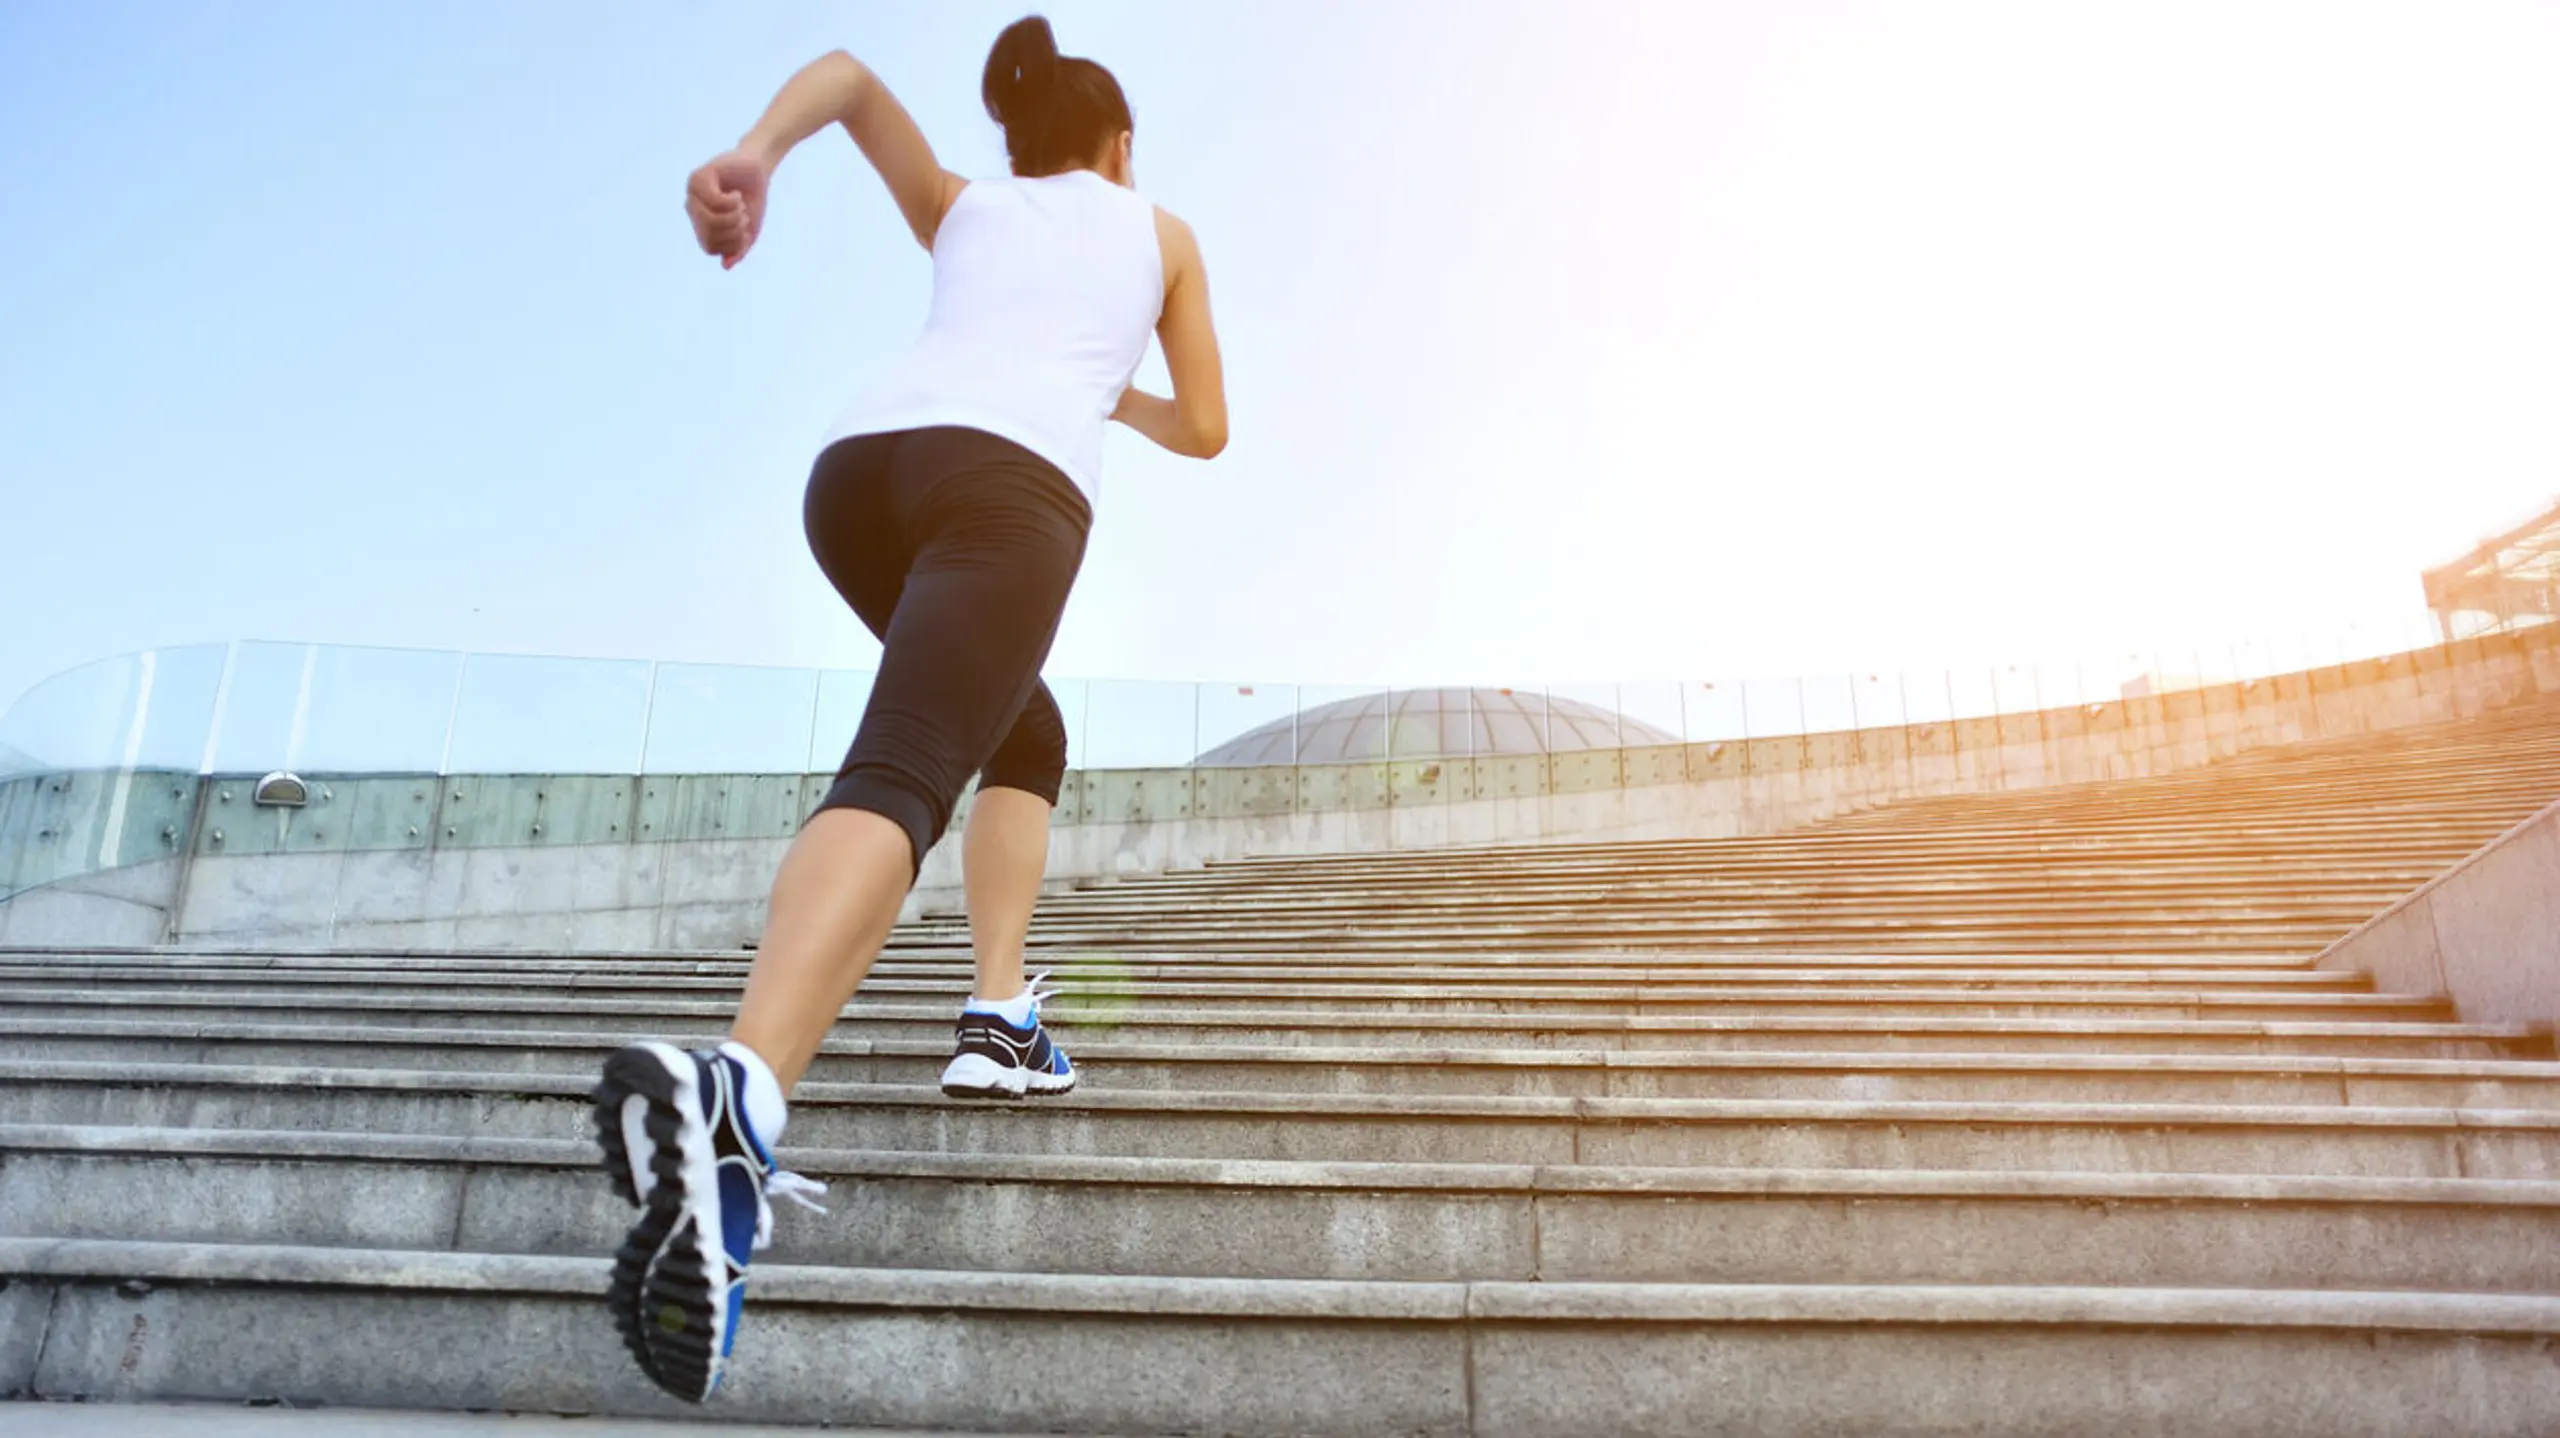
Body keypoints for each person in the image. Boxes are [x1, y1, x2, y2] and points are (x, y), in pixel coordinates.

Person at [589, 14, 1227, 1403]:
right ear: (1121, 144)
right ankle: (739, 1100)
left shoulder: (966, 203)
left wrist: (752, 158)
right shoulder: (1161, 232)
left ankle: (999, 1015)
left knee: (1024, 733)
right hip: (1009, 486)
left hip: (860, 478)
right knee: (906, 766)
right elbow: (1208, 427)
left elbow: (851, 82)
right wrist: (1107, 389)